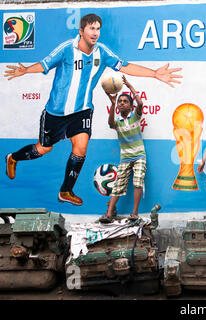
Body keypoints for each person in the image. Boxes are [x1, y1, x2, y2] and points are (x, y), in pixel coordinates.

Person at [4, 13, 181, 206]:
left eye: (98, 29)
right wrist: (26, 70)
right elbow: (44, 64)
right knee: (43, 148)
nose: (95, 33)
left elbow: (126, 67)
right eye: (91, 29)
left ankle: (66, 190)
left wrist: (155, 74)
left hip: (83, 110)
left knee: (80, 147)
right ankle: (13, 157)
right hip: (56, 113)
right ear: (81, 31)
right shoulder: (66, 49)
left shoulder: (102, 52)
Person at [99, 76, 145, 223]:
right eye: (120, 101)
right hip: (125, 158)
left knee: (138, 182)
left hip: (139, 156)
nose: (122, 103)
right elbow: (110, 122)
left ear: (130, 106)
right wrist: (112, 104)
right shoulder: (117, 122)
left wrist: (130, 86)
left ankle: (135, 212)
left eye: (125, 101)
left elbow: (141, 103)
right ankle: (109, 213)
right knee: (118, 184)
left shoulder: (135, 117)